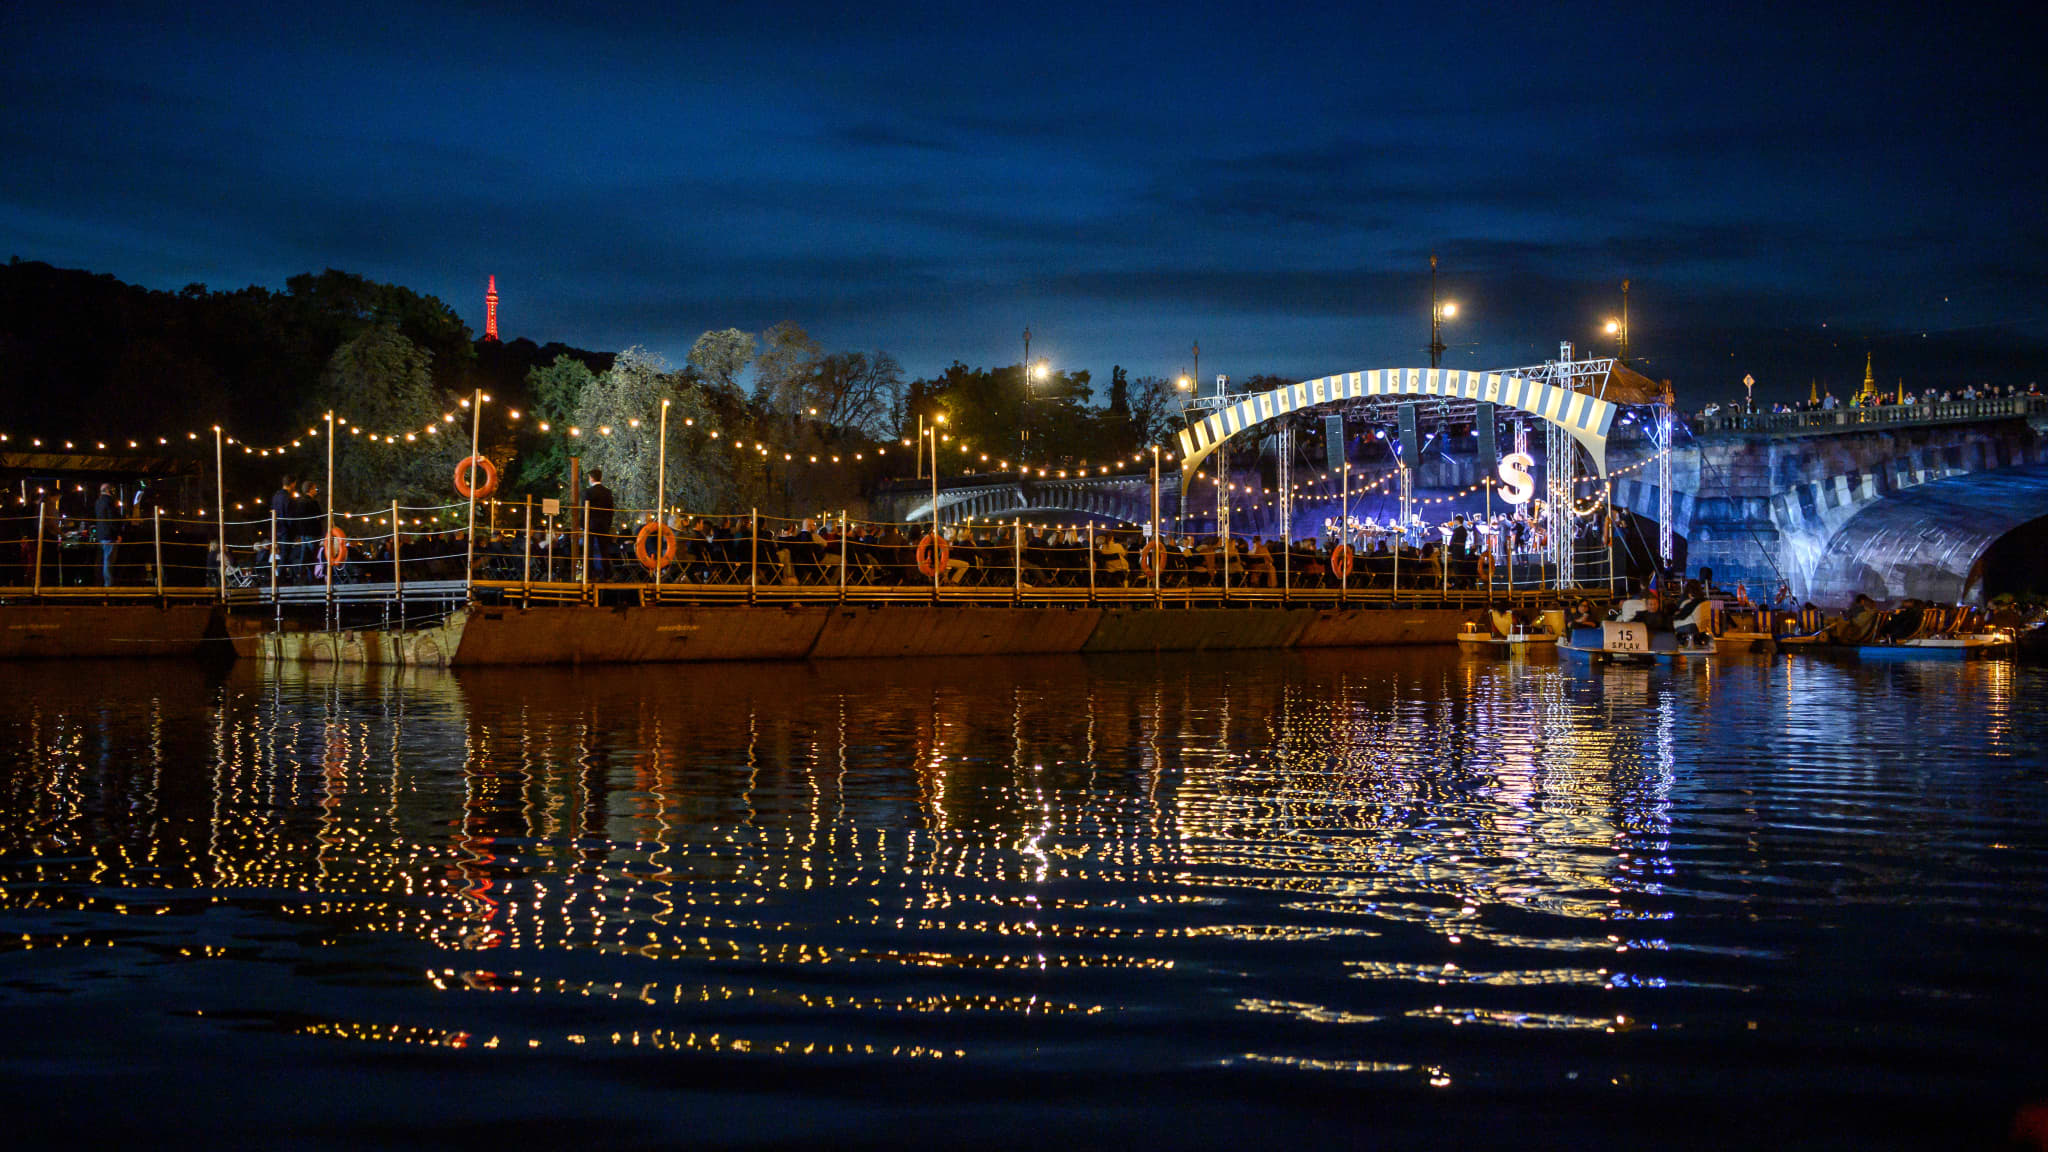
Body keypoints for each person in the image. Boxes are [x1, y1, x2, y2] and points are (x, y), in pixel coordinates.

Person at [584, 469, 615, 579]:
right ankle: (607, 573)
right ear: (600, 478)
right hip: (604, 525)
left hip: (591, 524)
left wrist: (583, 524)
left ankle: (589, 574)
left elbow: (584, 510)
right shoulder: (607, 492)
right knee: (604, 549)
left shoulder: (588, 492)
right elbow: (611, 510)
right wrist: (608, 524)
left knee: (589, 549)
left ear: (591, 478)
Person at [93, 482, 122, 586]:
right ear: (109, 491)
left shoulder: (98, 502)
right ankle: (108, 584)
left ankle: (100, 582)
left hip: (101, 535)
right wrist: (117, 533)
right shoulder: (110, 501)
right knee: (109, 561)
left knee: (103, 560)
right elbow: (112, 519)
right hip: (110, 535)